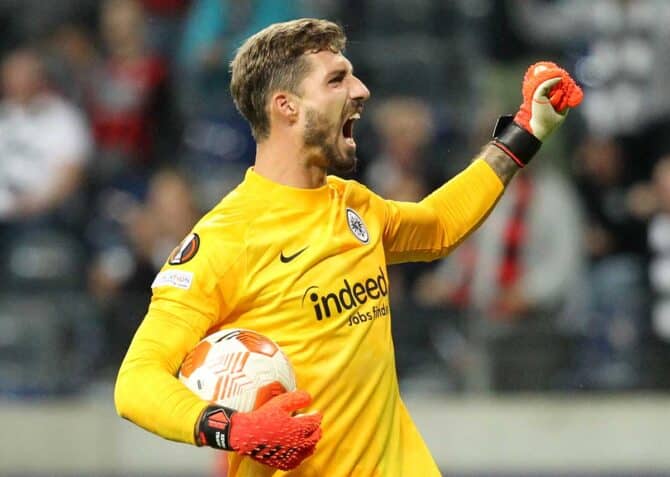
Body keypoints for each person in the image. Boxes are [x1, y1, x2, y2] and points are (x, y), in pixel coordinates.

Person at [114, 18, 582, 476]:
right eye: (337, 79)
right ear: (287, 107)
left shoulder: (355, 206)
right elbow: (136, 383)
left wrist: (527, 129)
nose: (361, 91)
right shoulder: (223, 240)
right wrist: (231, 428)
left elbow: (440, 225)